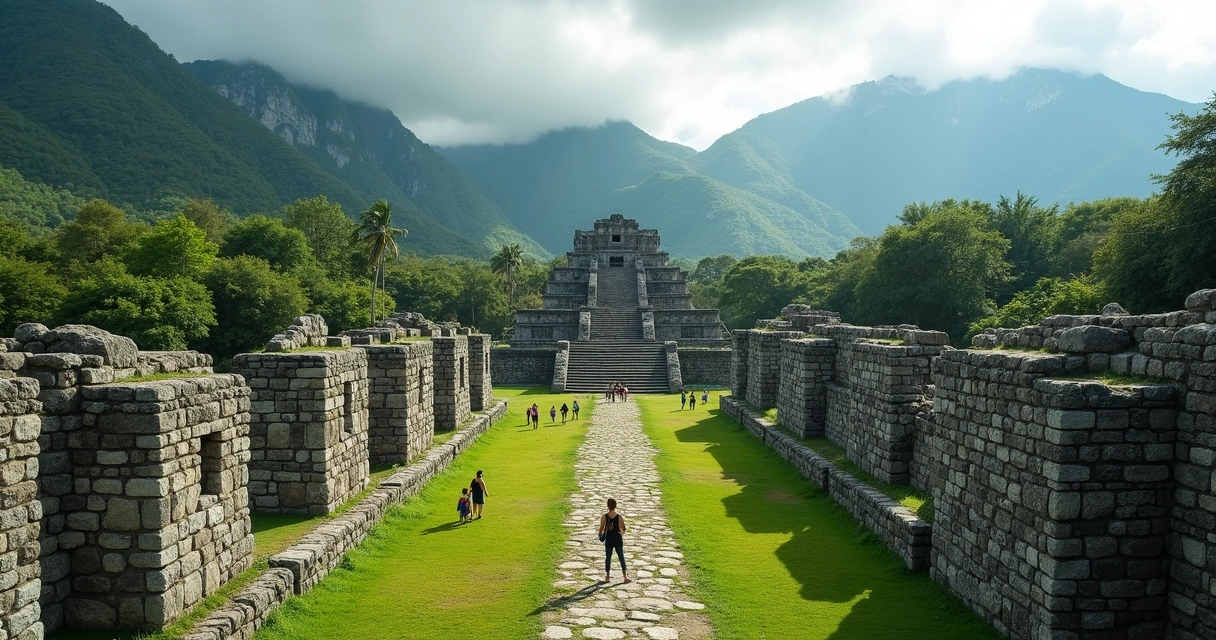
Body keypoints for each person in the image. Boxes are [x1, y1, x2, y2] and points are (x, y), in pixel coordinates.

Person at [598, 498, 629, 583]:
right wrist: (621, 533)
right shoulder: (619, 517)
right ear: (615, 506)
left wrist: (600, 535)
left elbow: (601, 528)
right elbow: (623, 529)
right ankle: (625, 576)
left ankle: (607, 576)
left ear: (607, 506)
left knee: (608, 557)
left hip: (609, 538)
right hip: (617, 538)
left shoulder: (604, 516)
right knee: (621, 556)